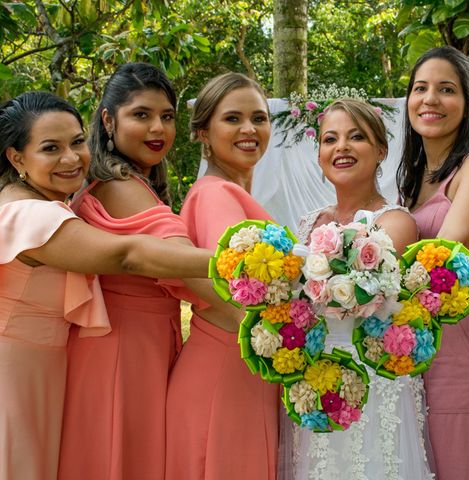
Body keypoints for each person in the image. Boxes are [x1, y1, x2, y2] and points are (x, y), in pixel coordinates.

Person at [0, 91, 215, 480]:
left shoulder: (33, 203)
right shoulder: (29, 216)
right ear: (17, 158)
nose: (71, 158)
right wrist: (238, 261)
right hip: (15, 378)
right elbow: (127, 255)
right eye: (51, 148)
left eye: (77, 142)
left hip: (44, 373)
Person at [57, 63, 216, 480]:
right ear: (109, 119)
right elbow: (177, 257)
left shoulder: (127, 182)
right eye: (141, 114)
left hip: (135, 345)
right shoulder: (119, 184)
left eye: (166, 116)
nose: (157, 128)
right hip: (121, 351)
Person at [279, 98, 434, 480]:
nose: (341, 147)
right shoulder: (307, 222)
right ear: (319, 155)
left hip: (373, 374)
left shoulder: (396, 221)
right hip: (313, 376)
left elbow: (353, 287)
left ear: (381, 150)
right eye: (330, 139)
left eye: (356, 137)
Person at [396, 45, 469, 480]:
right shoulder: (414, 183)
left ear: (467, 105)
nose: (430, 99)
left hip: (468, 353)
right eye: (420, 88)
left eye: (446, 90)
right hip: (424, 356)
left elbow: (442, 258)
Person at [164, 72, 280, 480]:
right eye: (233, 119)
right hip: (227, 369)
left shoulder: (231, 192)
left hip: (242, 366)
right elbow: (236, 288)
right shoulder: (215, 193)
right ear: (203, 133)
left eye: (259, 118)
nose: (249, 129)